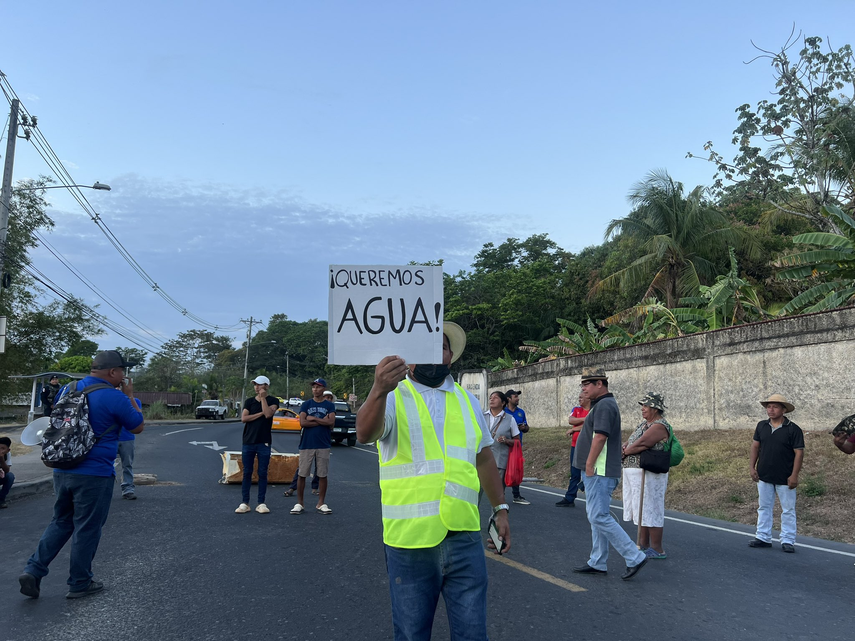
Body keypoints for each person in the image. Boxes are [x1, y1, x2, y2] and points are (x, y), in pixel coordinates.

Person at [356, 322, 511, 641]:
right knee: (412, 635)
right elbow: (364, 433)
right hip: (410, 542)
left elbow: (483, 458)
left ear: (450, 356)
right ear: (408, 355)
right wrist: (378, 389)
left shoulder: (467, 401)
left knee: (472, 634)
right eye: (421, 345)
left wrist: (501, 509)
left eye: (438, 346)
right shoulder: (393, 395)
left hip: (464, 537)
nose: (431, 352)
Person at [19, 350, 144, 599]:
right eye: (122, 371)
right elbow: (137, 426)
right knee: (87, 527)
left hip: (63, 468)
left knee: (61, 521)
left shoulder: (69, 389)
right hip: (94, 473)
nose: (124, 376)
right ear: (112, 372)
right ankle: (79, 582)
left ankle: (33, 570)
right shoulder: (114, 396)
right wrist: (130, 397)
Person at [572, 367, 648, 580]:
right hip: (598, 470)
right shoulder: (602, 405)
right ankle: (598, 561)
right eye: (583, 384)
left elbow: (600, 437)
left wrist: (589, 464)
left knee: (599, 515)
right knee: (596, 516)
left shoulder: (604, 405)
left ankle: (634, 556)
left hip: (600, 470)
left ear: (600, 384)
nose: (584, 388)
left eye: (588, 384)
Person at [748, 394, 804, 553]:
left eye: (775, 407)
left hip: (785, 477)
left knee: (788, 509)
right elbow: (755, 447)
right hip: (764, 474)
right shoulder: (761, 426)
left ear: (784, 409)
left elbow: (799, 453)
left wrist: (794, 475)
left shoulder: (793, 429)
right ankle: (763, 537)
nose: (770, 410)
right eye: (768, 406)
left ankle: (788, 540)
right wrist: (752, 467)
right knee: (764, 507)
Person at [621, 392, 671, 559]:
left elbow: (642, 443)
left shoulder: (659, 426)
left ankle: (657, 548)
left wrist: (625, 452)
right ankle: (643, 545)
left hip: (650, 474)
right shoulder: (644, 425)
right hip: (637, 474)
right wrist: (624, 447)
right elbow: (631, 442)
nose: (642, 409)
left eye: (646, 406)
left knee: (652, 507)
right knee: (641, 508)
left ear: (655, 409)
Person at [291, 378, 335, 515]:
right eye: (314, 387)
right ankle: (300, 503)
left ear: (324, 389)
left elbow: (331, 422)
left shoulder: (329, 405)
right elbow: (303, 423)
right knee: (302, 474)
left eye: (318, 387)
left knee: (322, 474)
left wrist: (314, 418)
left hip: (323, 443)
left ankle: (321, 503)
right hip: (307, 444)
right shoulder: (306, 404)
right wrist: (323, 421)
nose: (315, 389)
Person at [236, 375, 279, 515]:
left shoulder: (273, 401)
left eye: (259, 385)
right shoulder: (249, 402)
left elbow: (268, 414)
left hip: (264, 441)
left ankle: (261, 502)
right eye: (255, 384)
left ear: (266, 386)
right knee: (247, 472)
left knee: (262, 472)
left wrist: (263, 399)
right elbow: (244, 418)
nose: (256, 387)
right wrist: (260, 413)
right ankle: (245, 502)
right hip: (248, 441)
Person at [481, 390, 519, 503]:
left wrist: (507, 440)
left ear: (503, 403)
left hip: (500, 461)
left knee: (498, 494)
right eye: (490, 397)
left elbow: (517, 441)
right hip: (481, 461)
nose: (491, 399)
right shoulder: (481, 417)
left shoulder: (510, 419)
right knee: (476, 491)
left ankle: (496, 518)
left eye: (495, 398)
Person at [556, 393, 590, 507]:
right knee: (574, 473)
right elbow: (571, 420)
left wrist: (575, 429)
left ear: (588, 398)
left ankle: (591, 497)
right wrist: (585, 419)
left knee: (588, 473)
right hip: (575, 446)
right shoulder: (576, 409)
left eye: (582, 397)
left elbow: (591, 425)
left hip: (588, 447)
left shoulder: (594, 410)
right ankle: (570, 497)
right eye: (579, 397)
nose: (579, 399)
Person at [504, 389, 530, 505]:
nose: (517, 398)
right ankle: (500, 495)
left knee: (516, 470)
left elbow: (527, 427)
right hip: (504, 445)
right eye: (515, 396)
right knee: (502, 470)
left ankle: (516, 495)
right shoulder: (503, 411)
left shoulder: (521, 412)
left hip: (516, 446)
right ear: (509, 399)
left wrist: (524, 428)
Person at [0, 436, 14, 509]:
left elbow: (7, 470)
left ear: (8, 450)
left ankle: (1, 500)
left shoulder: (7, 455)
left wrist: (2, 460)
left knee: (10, 476)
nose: (0, 450)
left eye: (3, 448)